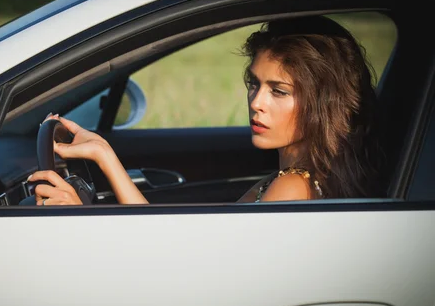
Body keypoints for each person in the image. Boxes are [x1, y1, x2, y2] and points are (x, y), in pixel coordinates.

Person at [27, 15, 385, 205]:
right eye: (254, 84)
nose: (256, 103)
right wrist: (105, 155)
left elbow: (194, 271)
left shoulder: (292, 188)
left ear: (323, 104)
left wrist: (79, 215)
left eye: (279, 91)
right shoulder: (294, 178)